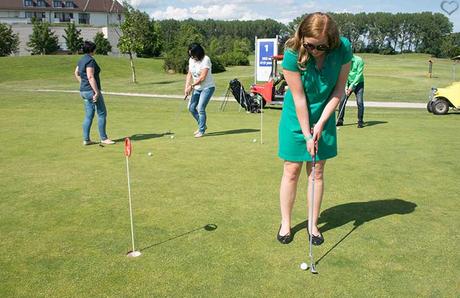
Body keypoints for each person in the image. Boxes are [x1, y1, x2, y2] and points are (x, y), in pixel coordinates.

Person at [277, 12, 352, 245]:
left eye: (323, 47)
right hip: (295, 117)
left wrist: (320, 124)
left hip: (325, 114)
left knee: (317, 171)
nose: (316, 51)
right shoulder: (291, 53)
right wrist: (308, 133)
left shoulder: (343, 49)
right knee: (291, 169)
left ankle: (313, 224)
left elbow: (339, 90)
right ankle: (286, 223)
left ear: (332, 42)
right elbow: (298, 98)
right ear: (302, 38)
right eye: (310, 46)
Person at [74, 41, 115, 146]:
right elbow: (90, 76)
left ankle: (86, 139)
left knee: (89, 115)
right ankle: (104, 138)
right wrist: (96, 92)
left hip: (84, 91)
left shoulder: (82, 59)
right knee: (102, 113)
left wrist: (83, 83)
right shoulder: (90, 60)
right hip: (91, 91)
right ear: (92, 50)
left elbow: (76, 73)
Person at [184, 43, 216, 138]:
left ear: (198, 53)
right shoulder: (191, 60)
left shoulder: (206, 59)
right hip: (197, 88)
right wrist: (186, 87)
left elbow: (202, 77)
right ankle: (202, 124)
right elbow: (189, 74)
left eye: (193, 54)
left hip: (207, 87)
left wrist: (191, 86)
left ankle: (201, 130)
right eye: (190, 55)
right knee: (191, 108)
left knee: (201, 108)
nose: (192, 57)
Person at [336, 54, 365, 128]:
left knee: (359, 102)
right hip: (348, 83)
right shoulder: (344, 61)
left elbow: (359, 75)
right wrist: (346, 87)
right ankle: (340, 120)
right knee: (342, 100)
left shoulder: (359, 60)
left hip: (359, 83)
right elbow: (344, 74)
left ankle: (360, 121)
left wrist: (351, 86)